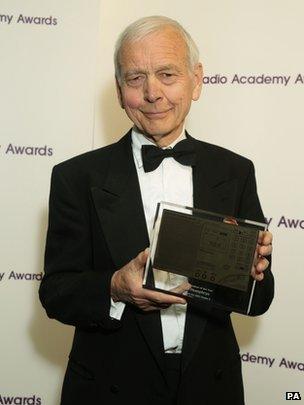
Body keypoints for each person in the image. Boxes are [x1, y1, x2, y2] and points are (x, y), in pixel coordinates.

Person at [39, 15, 274, 405]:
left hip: (210, 386)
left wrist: (251, 274)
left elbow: (260, 299)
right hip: (111, 386)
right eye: (135, 78)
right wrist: (115, 287)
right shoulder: (75, 177)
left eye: (167, 74)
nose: (152, 93)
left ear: (196, 80)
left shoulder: (235, 171)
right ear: (119, 91)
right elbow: (56, 292)